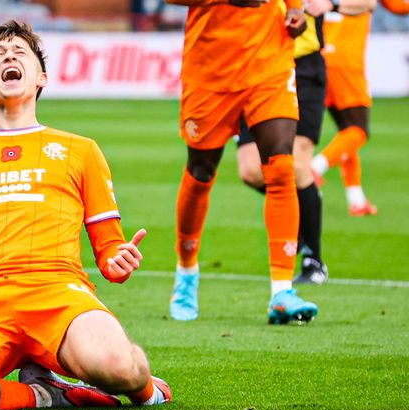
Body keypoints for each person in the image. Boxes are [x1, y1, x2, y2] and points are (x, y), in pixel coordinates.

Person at [0, 21, 171, 410]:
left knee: (118, 367)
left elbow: (109, 251)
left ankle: (147, 390)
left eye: (20, 51)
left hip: (57, 291)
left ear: (41, 77)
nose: (9, 55)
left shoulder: (80, 150)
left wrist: (118, 261)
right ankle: (47, 394)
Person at [165, 0, 319, 323]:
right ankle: (187, 273)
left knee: (280, 167)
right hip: (210, 71)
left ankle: (282, 290)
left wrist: (295, 8)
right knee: (201, 171)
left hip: (269, 63)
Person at [234, 0, 376, 285]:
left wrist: (333, 5)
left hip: (303, 67)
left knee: (297, 166)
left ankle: (314, 261)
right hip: (255, 66)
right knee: (250, 170)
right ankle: (294, 217)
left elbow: (368, 2)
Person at [309, 0, 408, 216]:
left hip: (319, 56)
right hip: (345, 61)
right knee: (358, 130)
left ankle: (357, 199)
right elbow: (399, 7)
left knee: (346, 130)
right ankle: (315, 167)